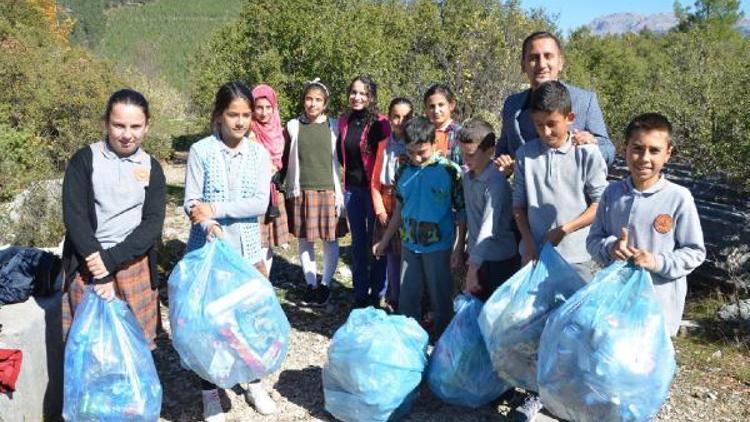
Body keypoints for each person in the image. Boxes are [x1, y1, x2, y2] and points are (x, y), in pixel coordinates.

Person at [510, 80, 608, 421]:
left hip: (578, 258)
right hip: (538, 258)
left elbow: (600, 205)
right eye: (539, 125)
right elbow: (519, 206)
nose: (546, 131)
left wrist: (565, 229)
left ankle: (570, 393)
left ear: (570, 117)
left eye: (552, 123)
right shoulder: (526, 155)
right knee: (537, 326)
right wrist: (530, 244)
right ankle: (536, 392)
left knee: (575, 329)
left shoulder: (586, 153)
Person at [183, 81, 275, 419]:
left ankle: (253, 381)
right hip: (207, 250)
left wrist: (215, 210)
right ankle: (210, 391)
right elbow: (191, 201)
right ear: (218, 116)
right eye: (232, 114)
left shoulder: (258, 153)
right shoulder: (201, 151)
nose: (239, 122)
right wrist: (207, 222)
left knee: (249, 320)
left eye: (246, 115)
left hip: (248, 251)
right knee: (208, 325)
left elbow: (259, 202)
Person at [61, 88, 166, 350]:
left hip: (134, 265)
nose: (127, 135)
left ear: (147, 126)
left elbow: (152, 224)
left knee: (136, 347)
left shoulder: (151, 167)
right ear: (106, 123)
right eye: (119, 125)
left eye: (135, 126)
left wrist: (108, 262)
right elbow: (75, 217)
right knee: (91, 347)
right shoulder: (85, 160)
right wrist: (99, 268)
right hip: (87, 265)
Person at [587, 112, 706, 336]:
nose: (644, 158)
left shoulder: (678, 198)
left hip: (657, 311)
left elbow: (695, 252)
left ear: (667, 154)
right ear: (625, 149)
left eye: (654, 150)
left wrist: (656, 261)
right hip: (615, 305)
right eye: (638, 148)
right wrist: (610, 248)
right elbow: (593, 240)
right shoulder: (612, 194)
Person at [373, 116, 465, 339]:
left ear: (434, 144)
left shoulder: (450, 172)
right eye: (411, 151)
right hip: (409, 245)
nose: (416, 158)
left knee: (441, 299)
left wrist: (458, 247)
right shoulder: (403, 170)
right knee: (408, 300)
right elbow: (399, 211)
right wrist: (384, 241)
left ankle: (444, 349)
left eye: (422, 152)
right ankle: (409, 346)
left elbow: (462, 212)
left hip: (439, 246)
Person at [495, 31, 615, 174]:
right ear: (523, 65)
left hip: (573, 193)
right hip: (527, 194)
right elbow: (503, 148)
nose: (541, 64)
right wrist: (503, 164)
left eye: (548, 56)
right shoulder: (512, 104)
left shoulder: (585, 101)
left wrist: (593, 146)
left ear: (560, 63)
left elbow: (608, 150)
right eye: (534, 58)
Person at [284, 78, 345, 307]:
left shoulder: (333, 126)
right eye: (309, 99)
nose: (312, 104)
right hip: (303, 190)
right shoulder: (293, 126)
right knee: (305, 239)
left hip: (328, 190)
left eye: (318, 100)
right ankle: (311, 283)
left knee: (330, 239)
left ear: (325, 103)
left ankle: (326, 284)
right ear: (303, 100)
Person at [338, 75, 390, 308]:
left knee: (377, 240)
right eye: (354, 92)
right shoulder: (344, 121)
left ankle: (379, 291)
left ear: (371, 97)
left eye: (363, 93)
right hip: (352, 189)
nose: (357, 97)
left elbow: (387, 156)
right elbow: (341, 154)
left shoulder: (381, 123)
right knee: (358, 243)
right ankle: (360, 292)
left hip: (374, 190)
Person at [456, 119, 519, 301]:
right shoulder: (467, 178)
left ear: (490, 151)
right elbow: (468, 216)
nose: (465, 160)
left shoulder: (495, 183)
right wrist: (461, 248)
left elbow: (488, 226)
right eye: (462, 154)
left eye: (471, 155)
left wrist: (472, 268)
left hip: (499, 261)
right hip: (478, 258)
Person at [371, 97, 413, 311]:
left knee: (407, 253)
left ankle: (408, 300)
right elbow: (375, 180)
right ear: (389, 117)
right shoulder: (383, 145)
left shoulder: (415, 145)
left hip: (407, 203)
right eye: (396, 116)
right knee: (391, 255)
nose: (400, 121)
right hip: (386, 201)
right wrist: (379, 209)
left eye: (406, 117)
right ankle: (393, 298)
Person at [251, 83, 290, 275]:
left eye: (268, 107)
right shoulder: (249, 130)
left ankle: (264, 282)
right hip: (253, 192)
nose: (263, 112)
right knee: (255, 240)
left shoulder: (279, 132)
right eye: (259, 107)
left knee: (267, 241)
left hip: (273, 192)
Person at [423, 83, 462, 165]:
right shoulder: (421, 133)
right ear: (426, 109)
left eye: (441, 105)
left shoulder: (460, 133)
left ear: (451, 105)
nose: (436, 111)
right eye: (431, 106)